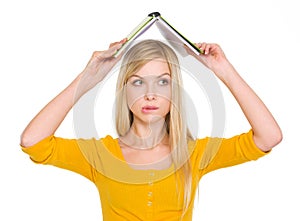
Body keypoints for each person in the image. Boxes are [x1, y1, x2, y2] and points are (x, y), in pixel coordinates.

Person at [20, 38, 282, 221]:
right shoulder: (101, 154)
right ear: (124, 91)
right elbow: (33, 141)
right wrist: (87, 78)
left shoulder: (195, 153)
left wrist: (223, 70)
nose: (150, 94)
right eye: (137, 82)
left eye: (162, 81)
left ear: (174, 91)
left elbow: (268, 136)